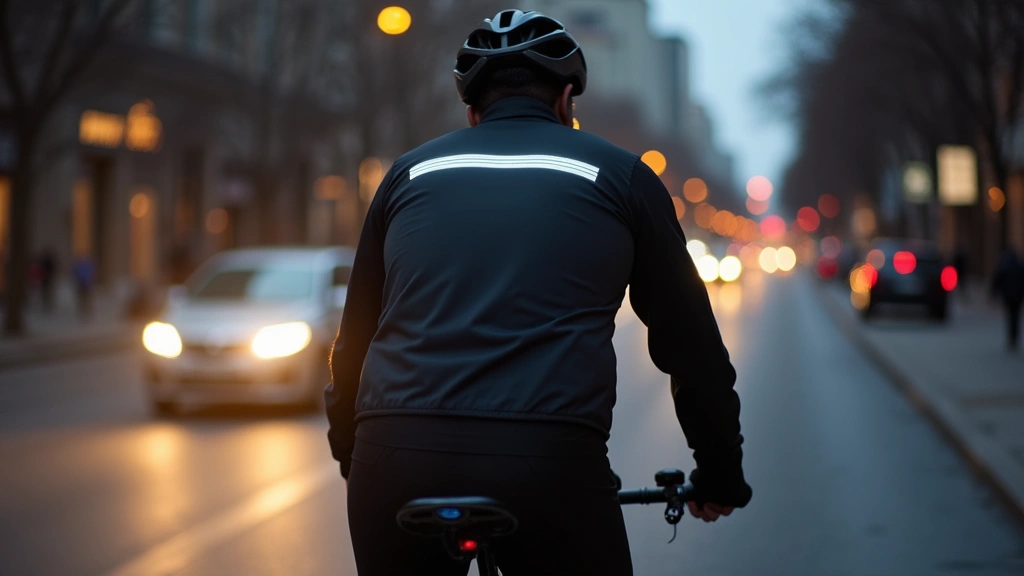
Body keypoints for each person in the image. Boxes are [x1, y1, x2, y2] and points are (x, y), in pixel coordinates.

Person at [325, 9, 751, 575]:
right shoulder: (621, 177)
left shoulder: (407, 175)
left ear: (471, 109)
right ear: (566, 100)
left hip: (397, 457)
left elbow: (353, 339)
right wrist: (718, 470)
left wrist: (357, 454)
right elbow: (690, 346)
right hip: (548, 459)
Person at [991, 247, 1024, 351]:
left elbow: (997, 280)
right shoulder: (1019, 266)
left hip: (1008, 297)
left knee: (1011, 316)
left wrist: (994, 293)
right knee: (1016, 316)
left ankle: (1012, 337)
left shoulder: (1004, 266)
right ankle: (1014, 337)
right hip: (1018, 296)